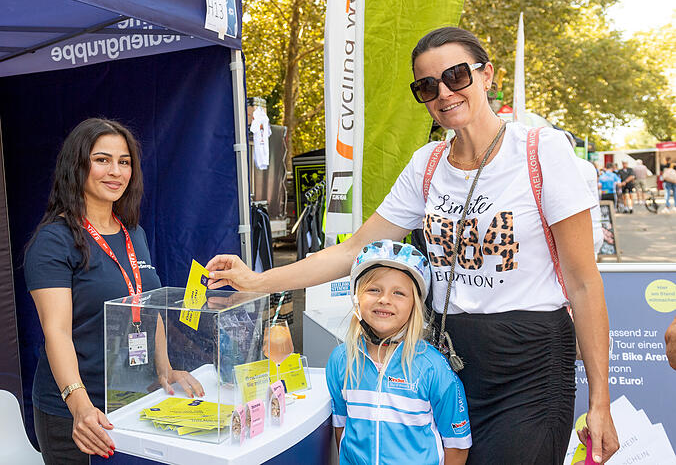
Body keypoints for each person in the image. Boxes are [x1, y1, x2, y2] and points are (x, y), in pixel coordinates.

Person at [207, 27, 618, 464]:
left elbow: (583, 284)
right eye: (427, 86)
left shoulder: (540, 152)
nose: (444, 93)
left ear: (488, 75)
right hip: (444, 358)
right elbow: (354, 251)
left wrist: (600, 402)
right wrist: (258, 281)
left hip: (529, 365)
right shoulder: (427, 165)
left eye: (457, 76)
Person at [24, 118, 203, 464]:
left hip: (134, 401)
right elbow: (56, 332)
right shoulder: (53, 241)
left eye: (124, 162)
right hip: (78, 415)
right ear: (77, 165)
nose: (116, 171)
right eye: (102, 159)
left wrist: (164, 371)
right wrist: (80, 406)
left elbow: (147, 310)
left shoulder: (133, 233)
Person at [326, 240, 471, 464]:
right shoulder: (341, 360)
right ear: (356, 298)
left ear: (415, 305)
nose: (384, 299)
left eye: (399, 293)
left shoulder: (433, 367)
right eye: (374, 289)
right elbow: (341, 429)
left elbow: (457, 445)